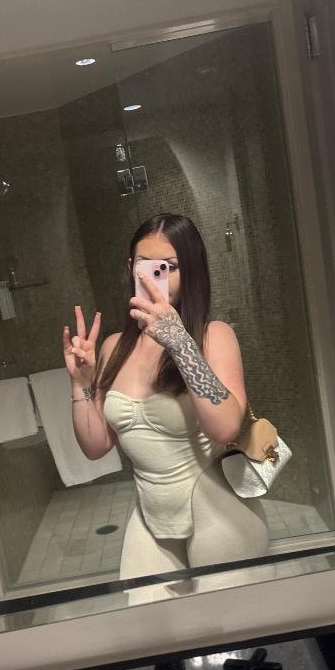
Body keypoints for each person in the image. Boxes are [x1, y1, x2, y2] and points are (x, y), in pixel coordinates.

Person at [62, 213, 269, 587]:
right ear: (130, 268)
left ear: (190, 272)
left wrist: (179, 342)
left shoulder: (213, 337)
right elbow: (95, 446)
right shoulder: (113, 347)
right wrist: (80, 384)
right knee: (146, 616)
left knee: (222, 619)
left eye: (168, 267)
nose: (152, 278)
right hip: (151, 516)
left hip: (218, 510)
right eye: (144, 265)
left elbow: (225, 427)